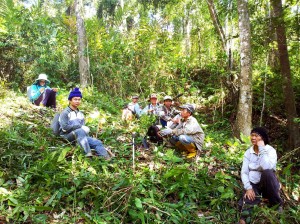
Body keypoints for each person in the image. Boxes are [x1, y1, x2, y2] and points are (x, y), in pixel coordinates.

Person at [237, 127, 283, 224]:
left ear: (263, 138)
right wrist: (248, 187)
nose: (253, 138)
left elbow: (266, 167)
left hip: (268, 185)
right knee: (248, 199)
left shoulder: (270, 151)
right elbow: (244, 172)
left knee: (267, 172)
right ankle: (243, 219)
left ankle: (277, 205)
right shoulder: (248, 152)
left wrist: (261, 149)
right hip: (254, 183)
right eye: (252, 135)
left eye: (256, 136)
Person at [59, 87, 110, 159]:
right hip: (67, 136)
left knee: (97, 142)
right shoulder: (65, 113)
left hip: (81, 137)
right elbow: (64, 128)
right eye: (75, 99)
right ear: (70, 100)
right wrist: (78, 126)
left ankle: (105, 159)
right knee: (79, 130)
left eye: (79, 99)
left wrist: (86, 135)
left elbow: (83, 128)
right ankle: (88, 155)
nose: (77, 101)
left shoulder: (81, 114)